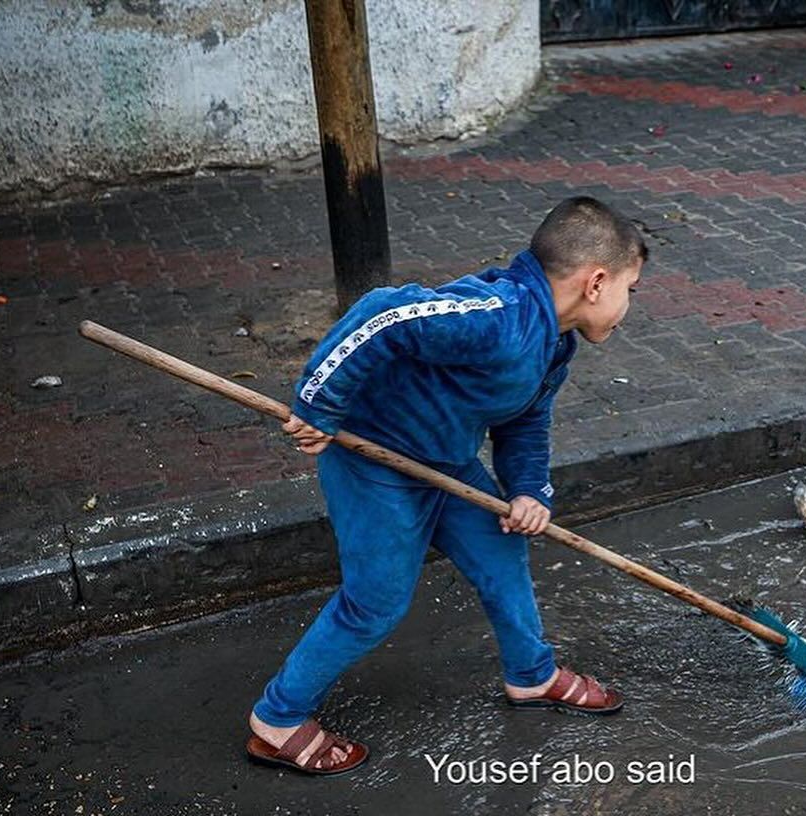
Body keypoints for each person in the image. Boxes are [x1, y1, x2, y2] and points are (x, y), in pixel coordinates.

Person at [245, 196, 647, 775]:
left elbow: (525, 420)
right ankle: (277, 719)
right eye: (631, 289)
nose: (628, 305)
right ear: (596, 282)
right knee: (375, 602)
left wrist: (529, 490)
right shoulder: (497, 316)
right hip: (375, 463)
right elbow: (384, 314)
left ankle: (531, 676)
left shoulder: (553, 343)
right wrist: (318, 401)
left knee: (502, 553)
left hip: (447, 465)